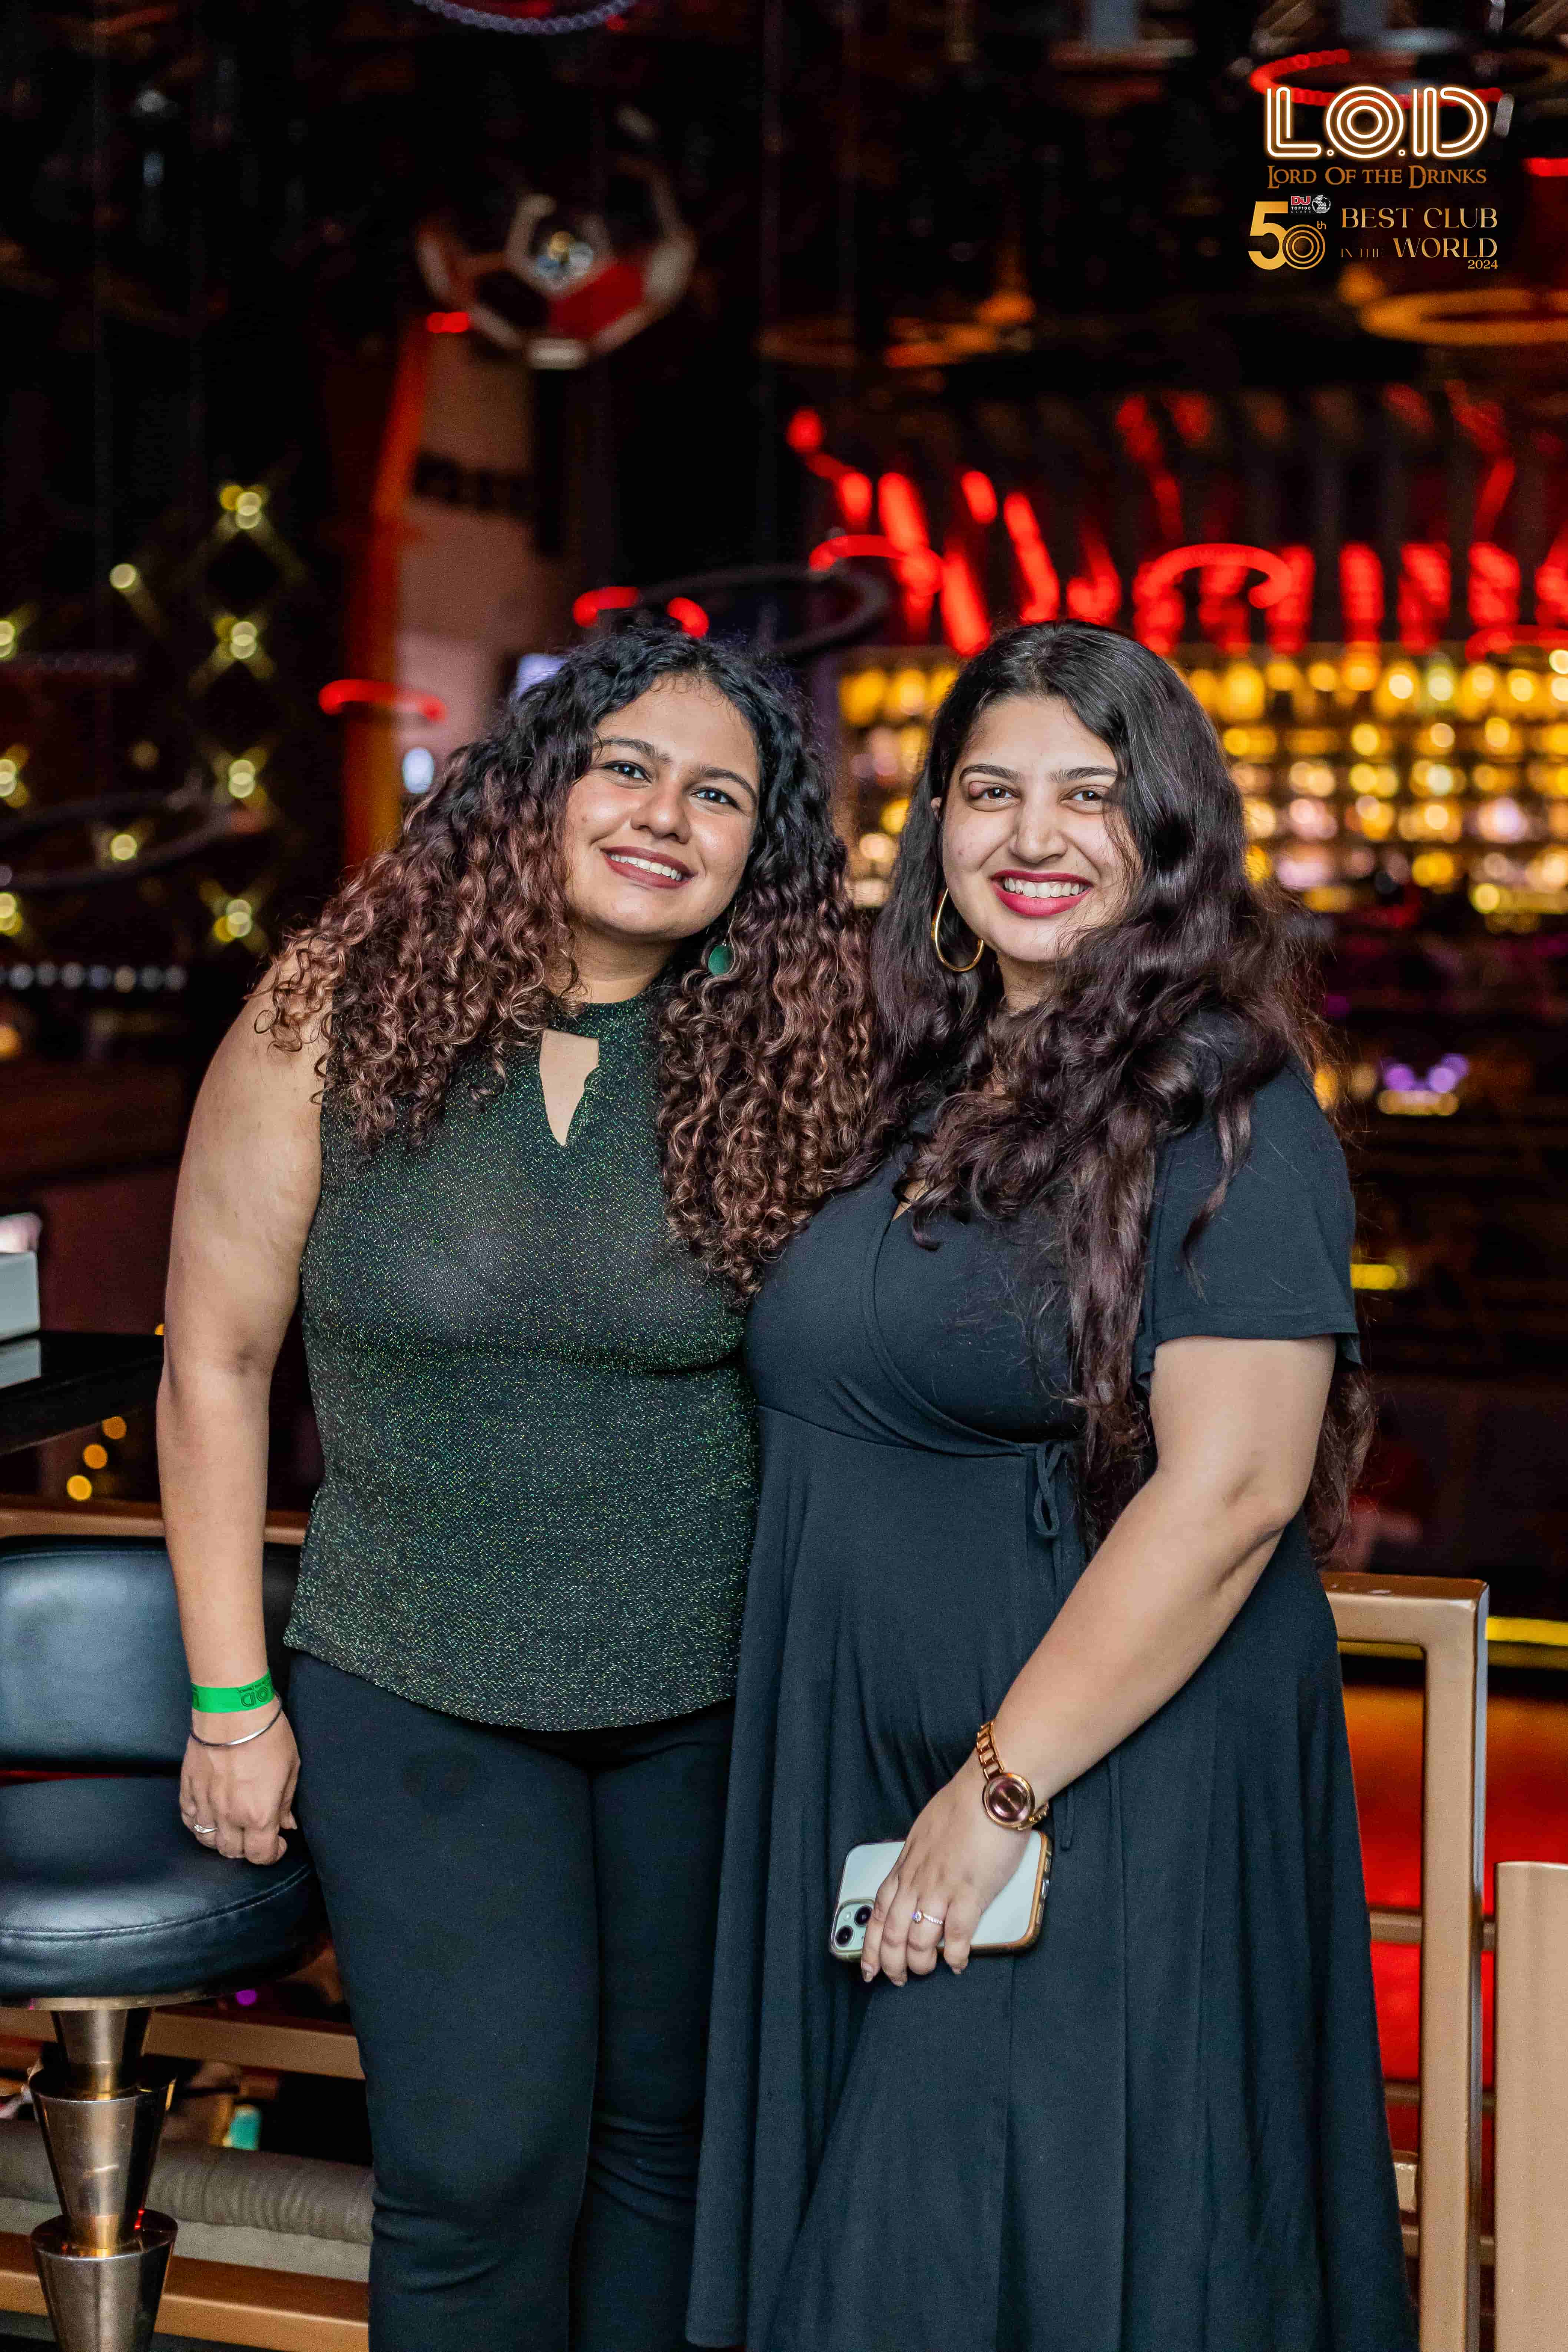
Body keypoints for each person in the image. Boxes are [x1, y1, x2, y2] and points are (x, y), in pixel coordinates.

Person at [688, 621, 1416, 2352]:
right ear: (934, 825)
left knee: (977, 2269)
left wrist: (999, 1788)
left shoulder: (1227, 1100)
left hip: (1085, 1791)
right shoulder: (915, 1079)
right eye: (988, 791)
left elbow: (1235, 1488)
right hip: (882, 1786)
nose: (1032, 836)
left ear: (1163, 832)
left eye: (1087, 797)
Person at [156, 626, 870, 2352]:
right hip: (413, 1675)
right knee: (477, 2170)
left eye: (718, 795)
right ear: (537, 787)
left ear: (758, 856)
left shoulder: (795, 1057)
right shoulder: (331, 1012)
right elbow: (215, 1367)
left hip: (712, 1699)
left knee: (665, 2162)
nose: (663, 815)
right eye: (625, 767)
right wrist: (231, 1703)